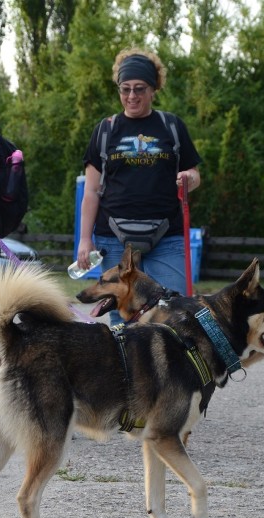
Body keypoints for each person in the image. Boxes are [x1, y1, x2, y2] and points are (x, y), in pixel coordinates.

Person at [77, 48, 202, 325]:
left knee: (175, 315)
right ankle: (129, 369)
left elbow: (193, 173)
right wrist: (85, 240)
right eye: (125, 89)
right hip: (113, 237)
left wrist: (190, 179)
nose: (132, 96)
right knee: (123, 322)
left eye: (139, 89)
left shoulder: (171, 126)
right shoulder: (104, 130)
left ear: (153, 88)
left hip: (166, 236)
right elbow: (91, 190)